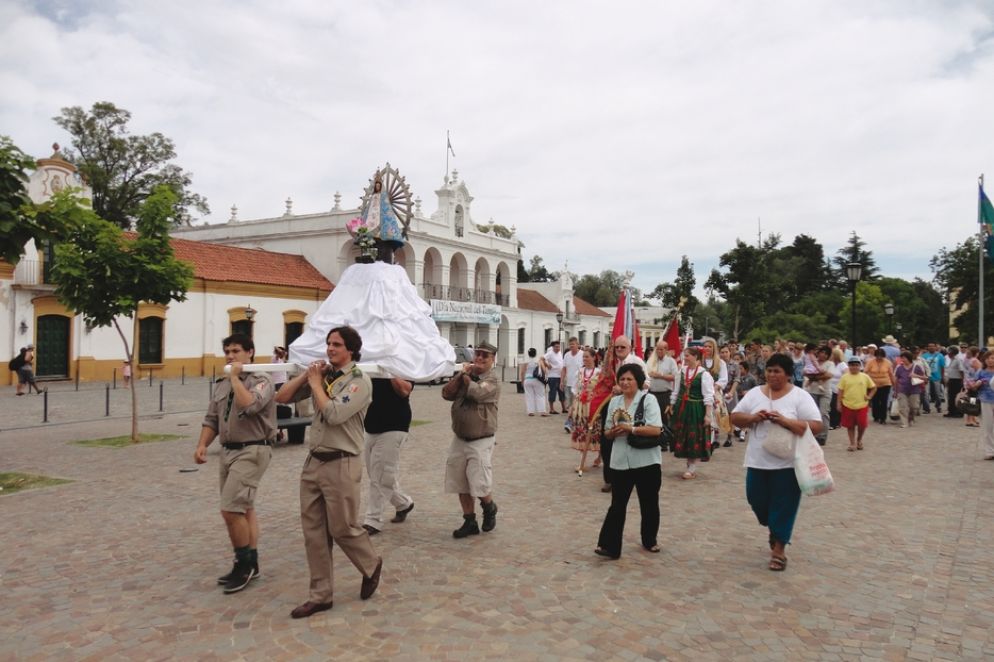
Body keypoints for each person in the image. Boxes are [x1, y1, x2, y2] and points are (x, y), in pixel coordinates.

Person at [276, 326, 382, 619]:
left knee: (343, 527)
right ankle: (320, 595)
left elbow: (334, 414)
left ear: (351, 350)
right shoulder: (322, 377)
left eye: (336, 344)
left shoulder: (359, 381)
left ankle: (371, 563)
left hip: (342, 462)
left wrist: (315, 384)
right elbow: (281, 397)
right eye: (328, 343)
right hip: (314, 461)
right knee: (314, 532)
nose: (330, 348)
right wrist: (307, 375)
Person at [193, 333, 275, 594]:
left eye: (236, 350)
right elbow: (212, 418)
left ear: (250, 353)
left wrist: (235, 378)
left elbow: (249, 404)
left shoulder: (261, 380)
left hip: (253, 449)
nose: (230, 356)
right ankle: (251, 561)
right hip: (228, 451)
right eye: (227, 351)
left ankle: (243, 564)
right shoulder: (222, 384)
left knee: (230, 509)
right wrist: (203, 444)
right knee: (243, 508)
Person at [730, 352, 822, 572]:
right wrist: (753, 418)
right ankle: (774, 527)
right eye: (769, 370)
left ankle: (779, 550)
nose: (772, 375)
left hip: (788, 464)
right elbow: (734, 417)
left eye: (777, 371)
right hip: (757, 461)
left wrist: (786, 421)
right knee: (757, 501)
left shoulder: (799, 396)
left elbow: (817, 425)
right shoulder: (754, 394)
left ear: (788, 374)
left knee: (784, 505)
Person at [594, 364, 664, 559]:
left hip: (646, 461)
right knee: (617, 504)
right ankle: (609, 546)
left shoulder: (649, 400)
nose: (625, 382)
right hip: (620, 461)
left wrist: (631, 429)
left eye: (629, 379)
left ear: (638, 381)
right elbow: (606, 431)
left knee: (649, 503)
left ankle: (649, 539)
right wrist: (613, 432)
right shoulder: (614, 402)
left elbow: (656, 429)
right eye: (622, 379)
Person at [442, 341, 500, 538]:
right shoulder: (465, 377)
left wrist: (467, 376)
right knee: (460, 481)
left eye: (485, 356)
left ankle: (489, 506)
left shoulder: (492, 380)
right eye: (478, 354)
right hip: (460, 437)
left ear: (493, 360)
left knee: (479, 481)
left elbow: (478, 392)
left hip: (481, 438)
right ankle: (469, 520)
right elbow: (446, 393)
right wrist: (460, 376)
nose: (480, 358)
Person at [362, 377, 416, 535]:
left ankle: (373, 520)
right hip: (371, 423)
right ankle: (404, 503)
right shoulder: (372, 362)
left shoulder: (403, 364)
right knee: (377, 474)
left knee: (379, 476)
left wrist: (388, 369)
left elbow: (404, 390)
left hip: (395, 424)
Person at [668, 347, 715, 480]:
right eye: (685, 355)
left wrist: (707, 415)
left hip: (696, 408)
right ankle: (689, 464)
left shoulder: (704, 374)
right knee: (684, 436)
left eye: (687, 356)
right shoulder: (681, 372)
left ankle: (692, 467)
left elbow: (708, 396)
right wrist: (671, 405)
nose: (685, 358)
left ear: (696, 357)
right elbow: (676, 391)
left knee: (694, 436)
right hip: (682, 408)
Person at [570, 348, 602, 475]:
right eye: (583, 357)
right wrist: (573, 404)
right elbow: (574, 387)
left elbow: (601, 389)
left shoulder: (599, 373)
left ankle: (600, 456)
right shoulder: (579, 372)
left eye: (587, 357)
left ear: (594, 358)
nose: (585, 359)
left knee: (595, 431)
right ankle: (582, 461)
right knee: (582, 430)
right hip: (580, 405)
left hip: (593, 405)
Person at [837, 357, 877, 451]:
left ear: (860, 366)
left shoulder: (865, 376)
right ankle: (852, 443)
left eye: (856, 365)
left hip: (862, 405)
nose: (854, 367)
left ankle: (859, 440)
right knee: (850, 426)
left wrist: (869, 396)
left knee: (862, 425)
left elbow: (874, 387)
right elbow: (840, 391)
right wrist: (838, 403)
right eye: (851, 365)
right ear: (849, 366)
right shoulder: (844, 377)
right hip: (847, 404)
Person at [646, 339, 678, 428]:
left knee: (665, 419)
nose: (659, 351)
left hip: (665, 395)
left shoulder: (671, 361)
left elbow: (675, 377)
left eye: (661, 349)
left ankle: (666, 438)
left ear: (666, 350)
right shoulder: (651, 360)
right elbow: (645, 373)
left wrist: (661, 376)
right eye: (657, 349)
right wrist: (650, 374)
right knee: (652, 417)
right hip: (652, 394)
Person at [968, 352, 994, 459]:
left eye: (992, 358)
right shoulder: (981, 371)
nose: (990, 360)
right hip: (985, 401)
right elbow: (973, 387)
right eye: (987, 358)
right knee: (988, 427)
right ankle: (990, 451)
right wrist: (977, 384)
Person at [894, 351, 927, 428]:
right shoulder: (899, 368)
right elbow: (896, 379)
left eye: (904, 358)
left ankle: (911, 418)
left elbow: (925, 378)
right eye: (901, 358)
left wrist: (916, 375)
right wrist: (895, 390)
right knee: (902, 407)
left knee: (914, 406)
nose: (902, 359)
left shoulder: (917, 367)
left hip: (914, 390)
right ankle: (904, 422)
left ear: (908, 358)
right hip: (902, 389)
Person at [864, 348, 895, 425]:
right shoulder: (870, 362)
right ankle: (876, 416)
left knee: (884, 401)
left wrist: (894, 384)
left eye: (881, 356)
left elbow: (891, 374)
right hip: (874, 384)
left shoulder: (888, 362)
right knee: (875, 401)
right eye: (877, 356)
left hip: (886, 384)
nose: (879, 357)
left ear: (883, 356)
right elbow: (865, 372)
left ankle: (883, 418)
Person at [562, 337, 584, 431]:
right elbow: (564, 369)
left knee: (574, 405)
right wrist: (561, 381)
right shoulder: (567, 355)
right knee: (570, 404)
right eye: (570, 344)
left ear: (577, 344)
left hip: (579, 384)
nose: (571, 346)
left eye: (573, 344)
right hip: (569, 383)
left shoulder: (582, 354)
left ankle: (569, 422)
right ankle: (574, 421)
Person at [520, 348, 547, 417]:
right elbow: (544, 370)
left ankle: (530, 411)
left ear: (528, 354)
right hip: (537, 379)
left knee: (529, 396)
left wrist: (522, 381)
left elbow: (522, 372)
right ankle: (542, 411)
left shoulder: (525, 361)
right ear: (536, 353)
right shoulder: (539, 361)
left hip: (527, 379)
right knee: (540, 395)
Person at [921, 343, 946, 414]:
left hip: (937, 377)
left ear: (935, 347)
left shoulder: (940, 355)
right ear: (927, 348)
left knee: (938, 393)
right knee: (926, 393)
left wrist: (942, 376)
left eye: (933, 346)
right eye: (929, 346)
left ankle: (938, 406)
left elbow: (942, 367)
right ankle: (926, 408)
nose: (931, 347)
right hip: (926, 377)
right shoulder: (924, 356)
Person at [544, 340, 566, 415]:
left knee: (562, 392)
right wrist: (547, 365)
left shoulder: (560, 353)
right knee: (553, 392)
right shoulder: (550, 353)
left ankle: (564, 408)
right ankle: (551, 409)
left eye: (558, 346)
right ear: (552, 347)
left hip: (560, 376)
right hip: (553, 376)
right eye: (556, 347)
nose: (558, 348)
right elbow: (542, 359)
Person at [943, 346, 965, 419]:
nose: (948, 354)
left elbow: (961, 371)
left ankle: (958, 412)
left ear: (954, 353)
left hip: (957, 380)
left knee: (958, 397)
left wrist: (962, 381)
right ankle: (951, 411)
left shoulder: (958, 360)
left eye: (950, 353)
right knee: (951, 397)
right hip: (951, 380)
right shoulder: (951, 360)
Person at [963, 347, 982, 427]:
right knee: (973, 401)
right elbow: (979, 373)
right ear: (977, 353)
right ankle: (970, 420)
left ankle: (971, 418)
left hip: (967, 382)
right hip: (973, 383)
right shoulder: (975, 360)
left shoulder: (966, 360)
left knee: (970, 400)